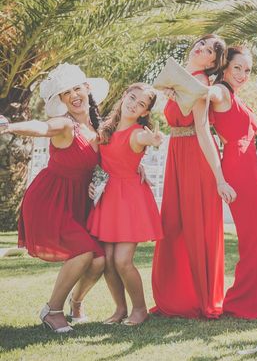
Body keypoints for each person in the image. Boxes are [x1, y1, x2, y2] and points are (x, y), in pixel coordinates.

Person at [0, 63, 107, 332]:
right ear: (61, 101)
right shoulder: (64, 125)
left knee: (98, 260)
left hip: (77, 202)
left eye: (77, 88)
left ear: (87, 88)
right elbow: (41, 127)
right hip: (51, 200)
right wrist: (9, 127)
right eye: (66, 93)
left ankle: (77, 303)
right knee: (84, 252)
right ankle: (52, 310)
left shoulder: (99, 128)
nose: (73, 95)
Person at [151, 34, 237, 319]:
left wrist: (219, 178)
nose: (202, 47)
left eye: (210, 49)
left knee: (195, 226)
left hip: (195, 157)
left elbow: (203, 130)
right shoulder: (179, 80)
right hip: (176, 153)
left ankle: (202, 298)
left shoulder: (200, 84)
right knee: (173, 225)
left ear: (213, 61)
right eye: (202, 43)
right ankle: (176, 296)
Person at [209, 47, 257, 319]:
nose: (243, 74)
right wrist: (200, 87)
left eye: (248, 70)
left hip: (249, 171)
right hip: (237, 171)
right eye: (237, 68)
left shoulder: (237, 99)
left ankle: (256, 298)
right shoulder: (222, 92)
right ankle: (241, 302)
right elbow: (210, 93)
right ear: (225, 68)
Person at [87, 83, 164, 325]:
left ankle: (140, 309)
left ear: (144, 113)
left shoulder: (138, 132)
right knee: (109, 261)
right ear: (124, 96)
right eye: (132, 97)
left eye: (141, 104)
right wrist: (93, 181)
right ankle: (120, 309)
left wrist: (154, 139)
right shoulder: (105, 129)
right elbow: (103, 160)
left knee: (122, 260)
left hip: (130, 200)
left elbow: (146, 139)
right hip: (108, 197)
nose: (134, 104)